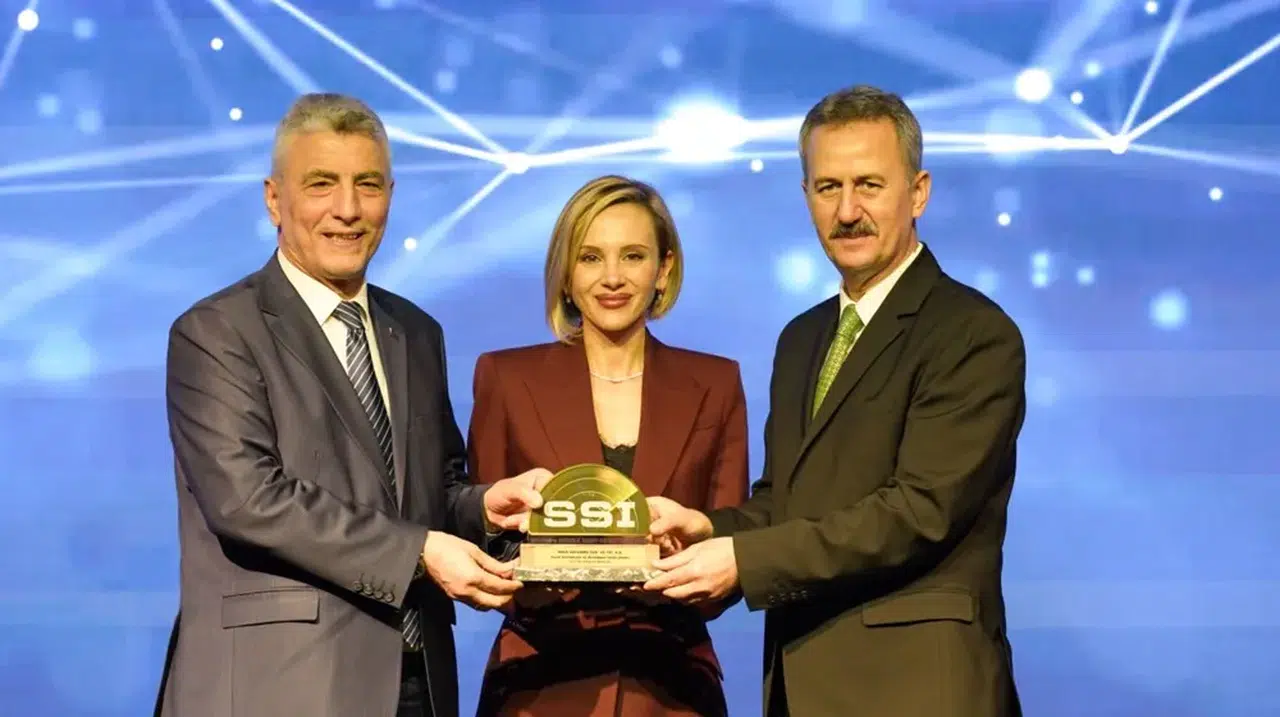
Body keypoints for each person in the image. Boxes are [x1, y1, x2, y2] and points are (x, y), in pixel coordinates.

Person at [154, 92, 548, 717]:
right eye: (321, 184)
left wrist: (484, 509)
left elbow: (430, 494)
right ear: (274, 199)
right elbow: (249, 500)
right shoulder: (216, 332)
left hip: (418, 680)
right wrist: (419, 552)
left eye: (368, 184)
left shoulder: (416, 332)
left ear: (390, 194)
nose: (348, 209)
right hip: (281, 687)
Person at [643, 85, 1027, 717]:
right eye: (828, 188)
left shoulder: (973, 333)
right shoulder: (801, 339)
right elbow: (787, 502)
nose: (847, 211)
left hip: (919, 692)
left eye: (869, 185)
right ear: (806, 196)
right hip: (803, 686)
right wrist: (709, 530)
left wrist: (742, 560)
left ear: (919, 192)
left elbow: (919, 513)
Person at [465, 174, 750, 717]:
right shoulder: (505, 377)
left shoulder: (716, 383)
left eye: (633, 256)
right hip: (539, 685)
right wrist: (528, 575)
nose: (612, 277)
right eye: (591, 257)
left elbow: (730, 542)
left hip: (672, 686)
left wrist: (683, 567)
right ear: (566, 275)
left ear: (663, 269)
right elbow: (483, 533)